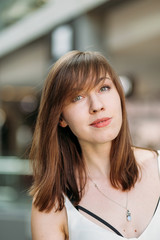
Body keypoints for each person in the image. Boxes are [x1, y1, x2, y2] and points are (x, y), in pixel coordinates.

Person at [30, 50, 160, 240]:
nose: (96, 105)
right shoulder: (52, 203)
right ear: (61, 117)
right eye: (77, 97)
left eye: (104, 88)